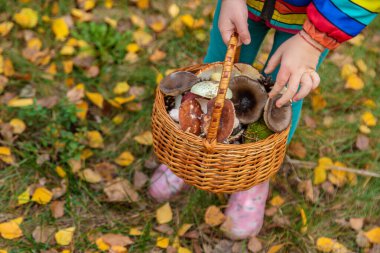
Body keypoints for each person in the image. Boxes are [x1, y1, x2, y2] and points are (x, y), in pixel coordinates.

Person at [149, 0, 379, 240]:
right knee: (217, 66)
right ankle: (190, 148)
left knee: (284, 92)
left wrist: (315, 39)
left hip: (312, 19)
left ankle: (255, 174)